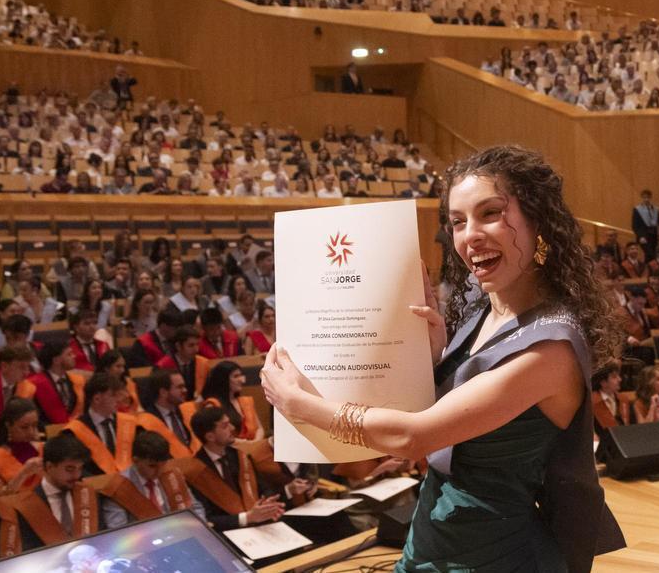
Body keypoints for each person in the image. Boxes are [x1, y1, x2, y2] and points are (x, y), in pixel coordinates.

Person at [261, 145, 624, 571]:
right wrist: (431, 354)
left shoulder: (549, 350)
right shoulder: (483, 304)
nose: (469, 234)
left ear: (538, 222)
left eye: (490, 213)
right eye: (457, 221)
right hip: (438, 531)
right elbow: (464, 404)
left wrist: (300, 406)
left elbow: (416, 437)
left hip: (496, 554)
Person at [176, 406, 285, 532]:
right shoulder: (195, 472)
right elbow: (206, 518)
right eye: (225, 426)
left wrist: (268, 503)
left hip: (261, 526)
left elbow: (265, 487)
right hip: (228, 534)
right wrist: (247, 518)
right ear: (210, 436)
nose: (232, 428)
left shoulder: (240, 456)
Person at [3, 435, 111, 551]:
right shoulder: (27, 505)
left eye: (80, 468)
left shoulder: (88, 494)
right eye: (70, 469)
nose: (77, 475)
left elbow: (102, 535)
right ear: (49, 467)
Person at [99, 430, 206, 528]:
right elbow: (118, 529)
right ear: (136, 461)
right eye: (152, 466)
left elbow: (195, 508)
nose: (159, 471)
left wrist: (199, 527)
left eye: (163, 464)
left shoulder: (171, 475)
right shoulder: (118, 488)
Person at [63, 372, 138, 475]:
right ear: (97, 399)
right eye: (113, 395)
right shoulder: (73, 432)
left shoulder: (128, 423)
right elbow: (76, 468)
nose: (119, 400)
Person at [0, 398, 45, 493]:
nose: (31, 432)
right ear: (8, 425)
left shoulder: (44, 448)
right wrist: (24, 473)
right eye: (24, 427)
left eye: (35, 425)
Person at [201, 360, 263, 442]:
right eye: (236, 376)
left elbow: (259, 428)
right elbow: (216, 436)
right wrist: (244, 444)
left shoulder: (246, 401)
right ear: (223, 379)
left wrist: (255, 442)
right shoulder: (212, 405)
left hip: (253, 446)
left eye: (241, 376)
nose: (242, 380)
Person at [25, 342, 85, 425]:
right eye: (69, 354)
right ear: (56, 360)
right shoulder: (32, 384)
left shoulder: (78, 380)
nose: (74, 356)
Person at [632, 189, 659, 260]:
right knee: (649, 253)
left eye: (648, 197)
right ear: (642, 198)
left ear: (650, 198)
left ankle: (650, 270)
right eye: (644, 197)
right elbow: (635, 225)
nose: (646, 199)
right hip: (644, 235)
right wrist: (640, 236)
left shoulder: (655, 209)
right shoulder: (637, 209)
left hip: (653, 234)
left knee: (652, 254)